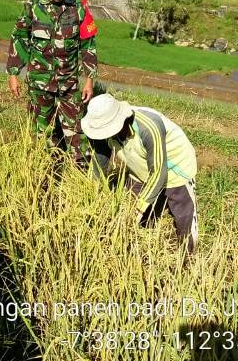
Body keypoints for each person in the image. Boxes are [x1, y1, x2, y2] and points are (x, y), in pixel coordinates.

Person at [6, 0, 98, 164]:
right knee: (39, 131)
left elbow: (88, 44)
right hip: (40, 82)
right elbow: (19, 38)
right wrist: (13, 73)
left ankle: (81, 173)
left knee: (77, 131)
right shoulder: (33, 7)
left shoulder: (79, 8)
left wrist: (90, 79)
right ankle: (41, 168)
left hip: (69, 83)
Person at [82, 93, 198, 251]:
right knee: (135, 209)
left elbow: (158, 171)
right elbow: (100, 159)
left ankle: (187, 257)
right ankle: (143, 245)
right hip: (139, 166)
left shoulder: (148, 127)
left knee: (182, 212)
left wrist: (141, 205)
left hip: (174, 166)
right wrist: (93, 189)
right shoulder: (103, 129)